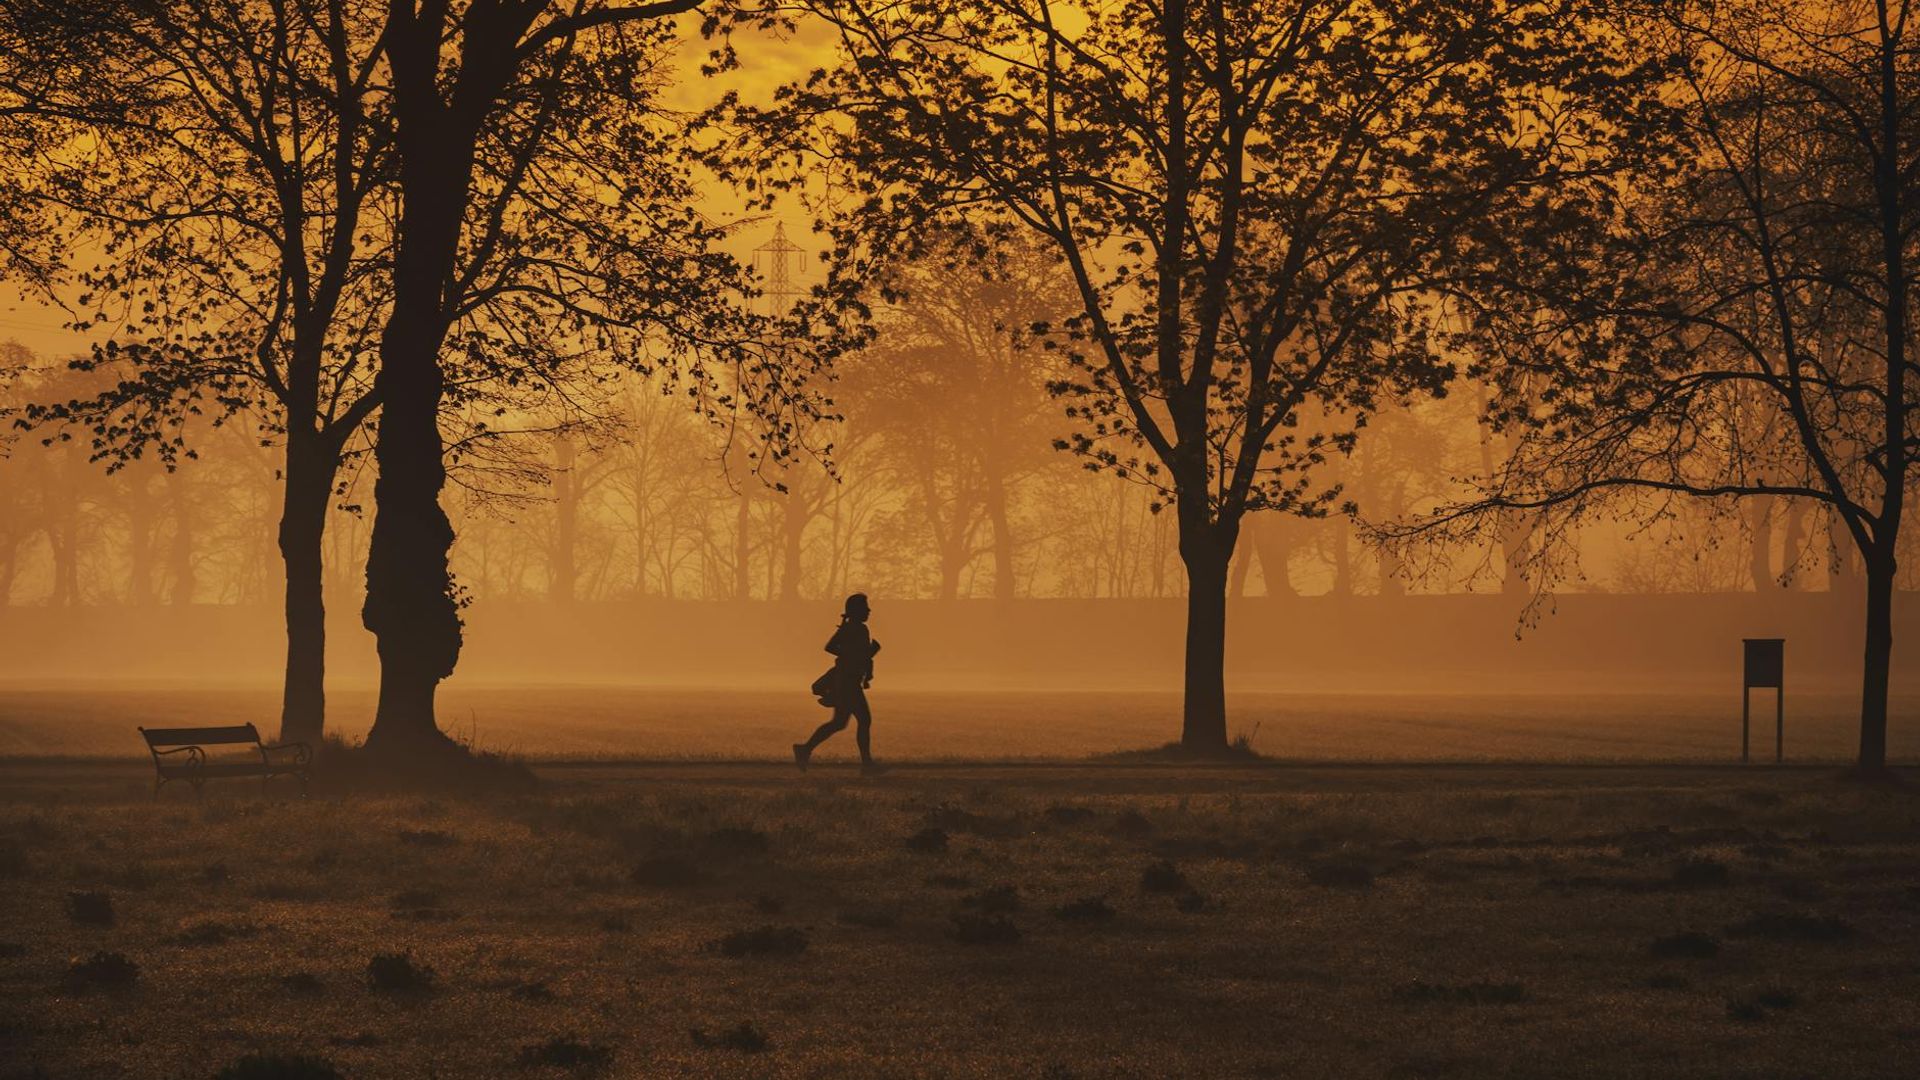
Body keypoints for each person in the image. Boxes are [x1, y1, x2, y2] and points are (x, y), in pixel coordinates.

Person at [794, 593, 883, 774]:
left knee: (839, 723)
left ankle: (804, 749)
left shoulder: (854, 628)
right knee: (863, 720)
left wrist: (859, 661)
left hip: (847, 681)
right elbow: (837, 649)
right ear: (857, 611)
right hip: (848, 682)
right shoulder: (856, 629)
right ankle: (867, 765)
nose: (869, 611)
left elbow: (843, 650)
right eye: (865, 608)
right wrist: (859, 655)